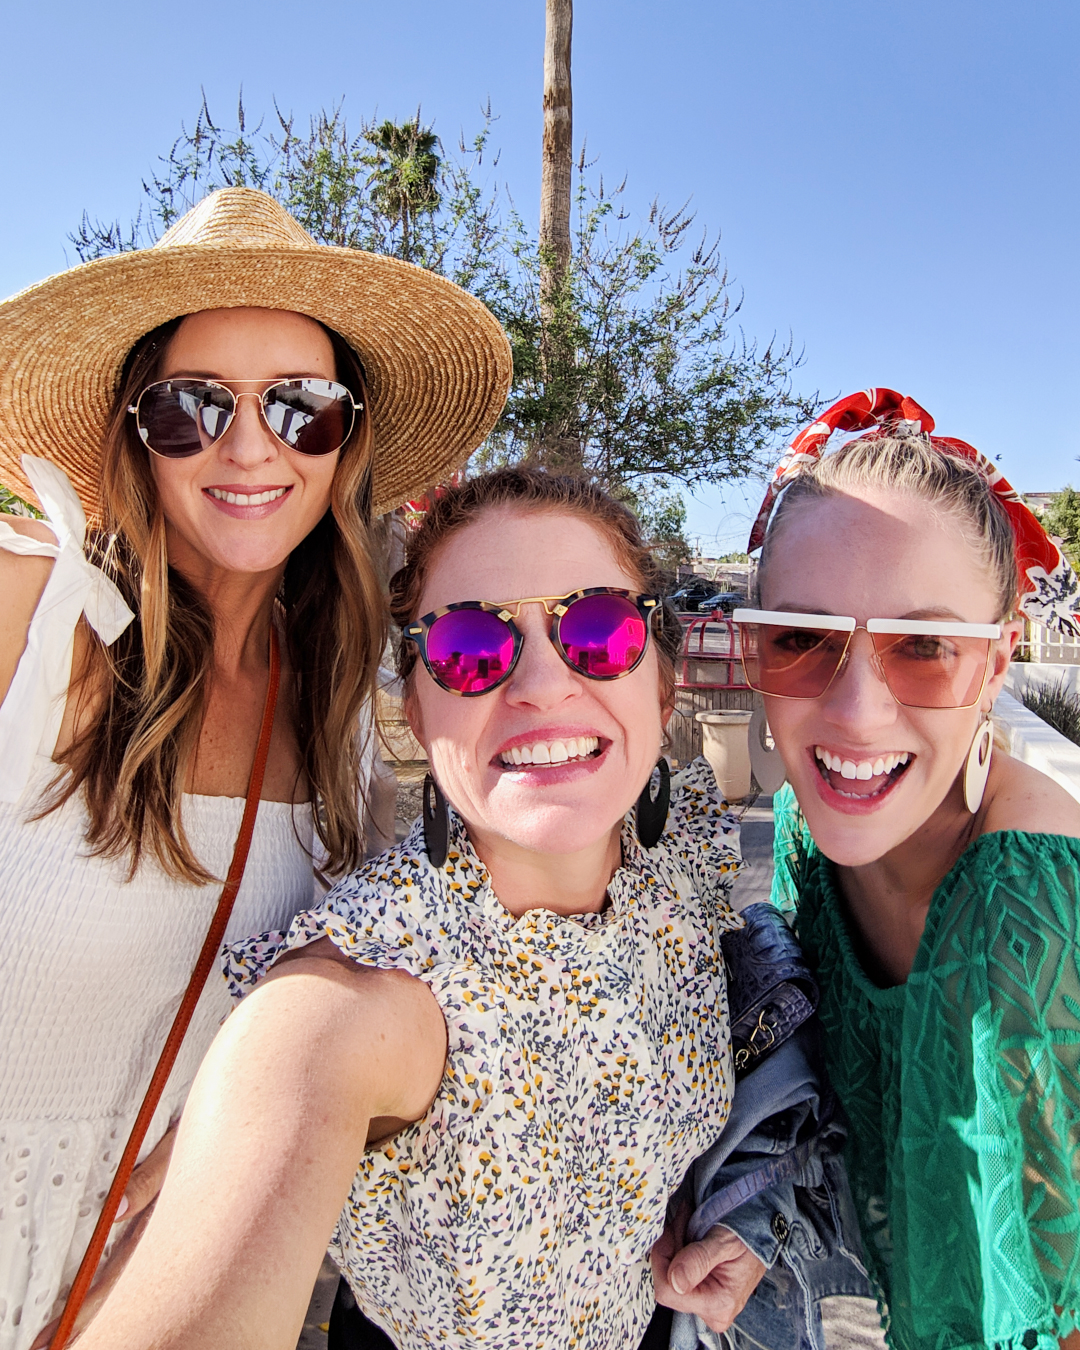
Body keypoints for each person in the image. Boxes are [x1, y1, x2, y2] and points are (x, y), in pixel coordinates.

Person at [70, 467, 777, 1350]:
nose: (543, 685)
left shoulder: (680, 865)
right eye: (472, 648)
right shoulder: (367, 992)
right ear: (419, 703)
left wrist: (725, 1220)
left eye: (598, 631)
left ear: (664, 687)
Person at [0, 186, 510, 1350]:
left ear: (349, 438)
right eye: (190, 406)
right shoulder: (30, 608)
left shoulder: (339, 710)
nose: (247, 446)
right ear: (134, 427)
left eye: (300, 406)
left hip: (181, 1282)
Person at [730, 389, 1080, 1350]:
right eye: (800, 638)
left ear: (999, 664)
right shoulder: (807, 826)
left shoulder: (1032, 912)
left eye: (925, 648)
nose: (855, 714)